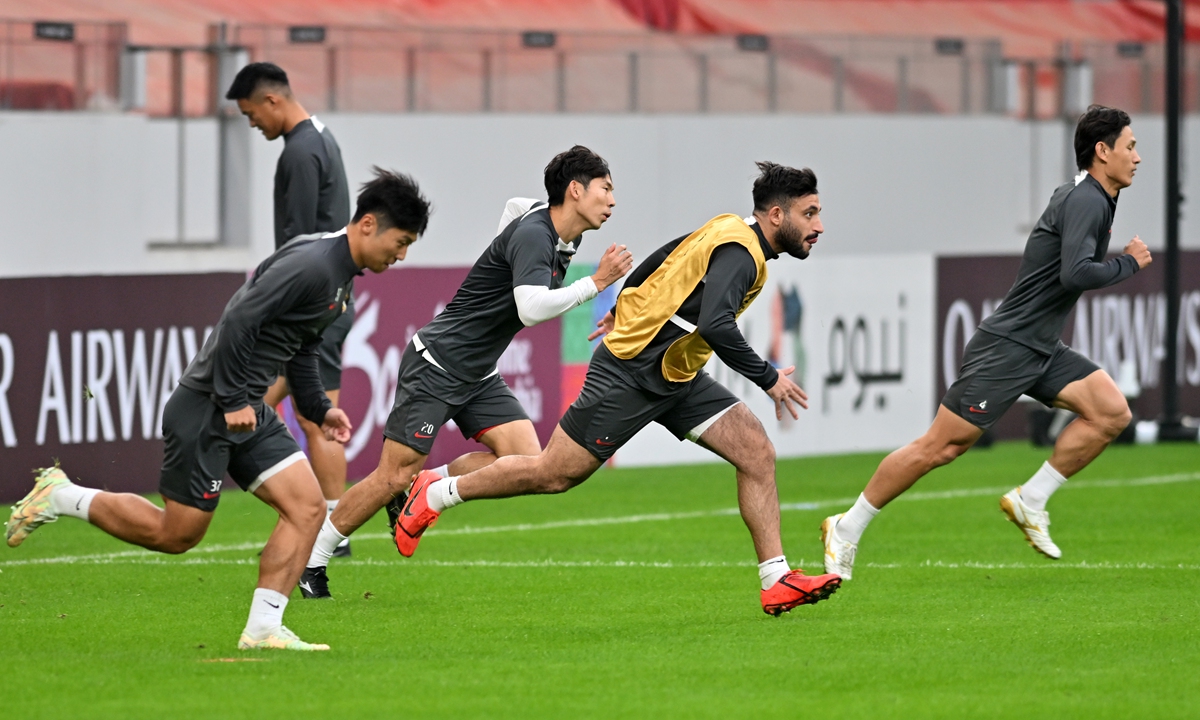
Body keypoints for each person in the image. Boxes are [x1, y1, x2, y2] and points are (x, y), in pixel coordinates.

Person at [6, 169, 432, 651]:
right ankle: (61, 494)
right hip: (211, 405)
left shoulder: (339, 274)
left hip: (247, 407)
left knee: (307, 507)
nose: (401, 255)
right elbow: (239, 321)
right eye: (401, 242)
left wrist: (317, 408)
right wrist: (231, 400)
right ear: (369, 224)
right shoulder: (313, 265)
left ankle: (264, 629)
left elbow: (302, 345)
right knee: (176, 534)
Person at [394, 161, 842, 617]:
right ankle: (435, 493)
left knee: (755, 451)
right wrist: (769, 379)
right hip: (632, 371)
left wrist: (626, 304)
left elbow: (662, 257)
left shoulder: (729, 227)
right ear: (775, 216)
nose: (818, 226)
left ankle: (776, 579)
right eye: (809, 214)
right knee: (554, 473)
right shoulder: (742, 253)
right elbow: (716, 325)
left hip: (675, 375)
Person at [821, 104, 1151, 580]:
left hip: (1039, 346)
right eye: (1130, 146)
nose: (1137, 157)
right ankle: (846, 527)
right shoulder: (1087, 200)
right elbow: (1075, 272)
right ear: (1103, 152)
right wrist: (1129, 264)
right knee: (940, 448)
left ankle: (1030, 499)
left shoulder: (1094, 196)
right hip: (1010, 347)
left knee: (1111, 412)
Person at [298, 145, 632, 599]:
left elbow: (517, 205)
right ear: (575, 190)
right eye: (606, 189)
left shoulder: (549, 226)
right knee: (389, 476)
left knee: (524, 459)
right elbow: (530, 308)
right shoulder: (537, 235)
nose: (612, 201)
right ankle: (311, 562)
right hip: (438, 362)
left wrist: (503, 244)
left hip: (477, 373)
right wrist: (593, 284)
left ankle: (427, 485)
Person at [226, 62, 356, 557]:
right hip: (326, 298)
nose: (252, 123)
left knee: (303, 413)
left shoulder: (300, 153)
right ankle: (315, 519)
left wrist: (279, 298)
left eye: (250, 113)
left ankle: (330, 527)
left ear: (272, 101)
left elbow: (300, 241)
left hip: (311, 303)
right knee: (277, 403)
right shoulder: (321, 136)